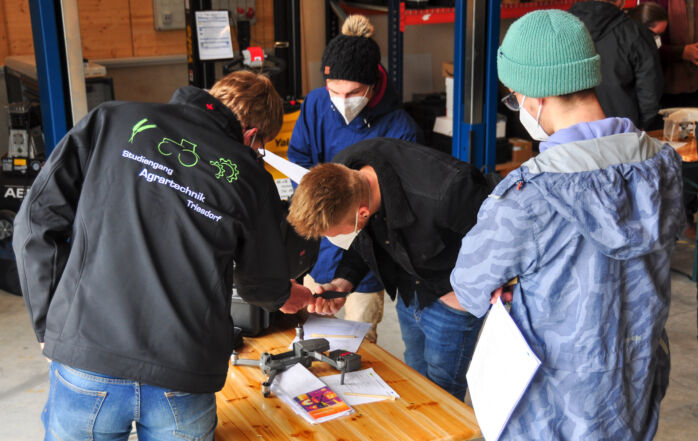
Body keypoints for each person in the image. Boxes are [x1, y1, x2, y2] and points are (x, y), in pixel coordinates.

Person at [13, 71, 314, 441]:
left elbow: (34, 221)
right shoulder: (248, 175)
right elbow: (258, 284)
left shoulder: (111, 120)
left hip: (88, 355)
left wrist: (47, 324)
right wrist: (284, 295)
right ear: (252, 136)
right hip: (183, 376)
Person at [451, 10, 683, 440]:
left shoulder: (530, 195)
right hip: (634, 384)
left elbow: (468, 286)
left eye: (515, 96)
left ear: (535, 97)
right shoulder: (662, 163)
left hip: (554, 405)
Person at [287, 138, 490, 400]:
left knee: (442, 393)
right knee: (416, 375)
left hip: (451, 298)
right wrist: (344, 282)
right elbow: (365, 236)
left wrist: (466, 290)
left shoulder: (448, 190)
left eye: (334, 234)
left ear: (362, 213)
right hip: (409, 286)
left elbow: (499, 243)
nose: (331, 241)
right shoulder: (347, 175)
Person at [287, 14, 420, 344]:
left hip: (366, 249)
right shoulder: (317, 104)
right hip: (319, 242)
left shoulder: (400, 128)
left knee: (357, 343)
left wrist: (351, 224)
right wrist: (314, 207)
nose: (343, 101)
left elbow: (397, 207)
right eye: (335, 91)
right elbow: (299, 156)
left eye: (353, 92)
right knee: (310, 332)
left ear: (373, 84)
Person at [569, 0, 664, 130]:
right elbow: (650, 89)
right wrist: (639, 126)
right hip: (623, 131)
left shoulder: (560, 30)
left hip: (573, 132)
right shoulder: (636, 33)